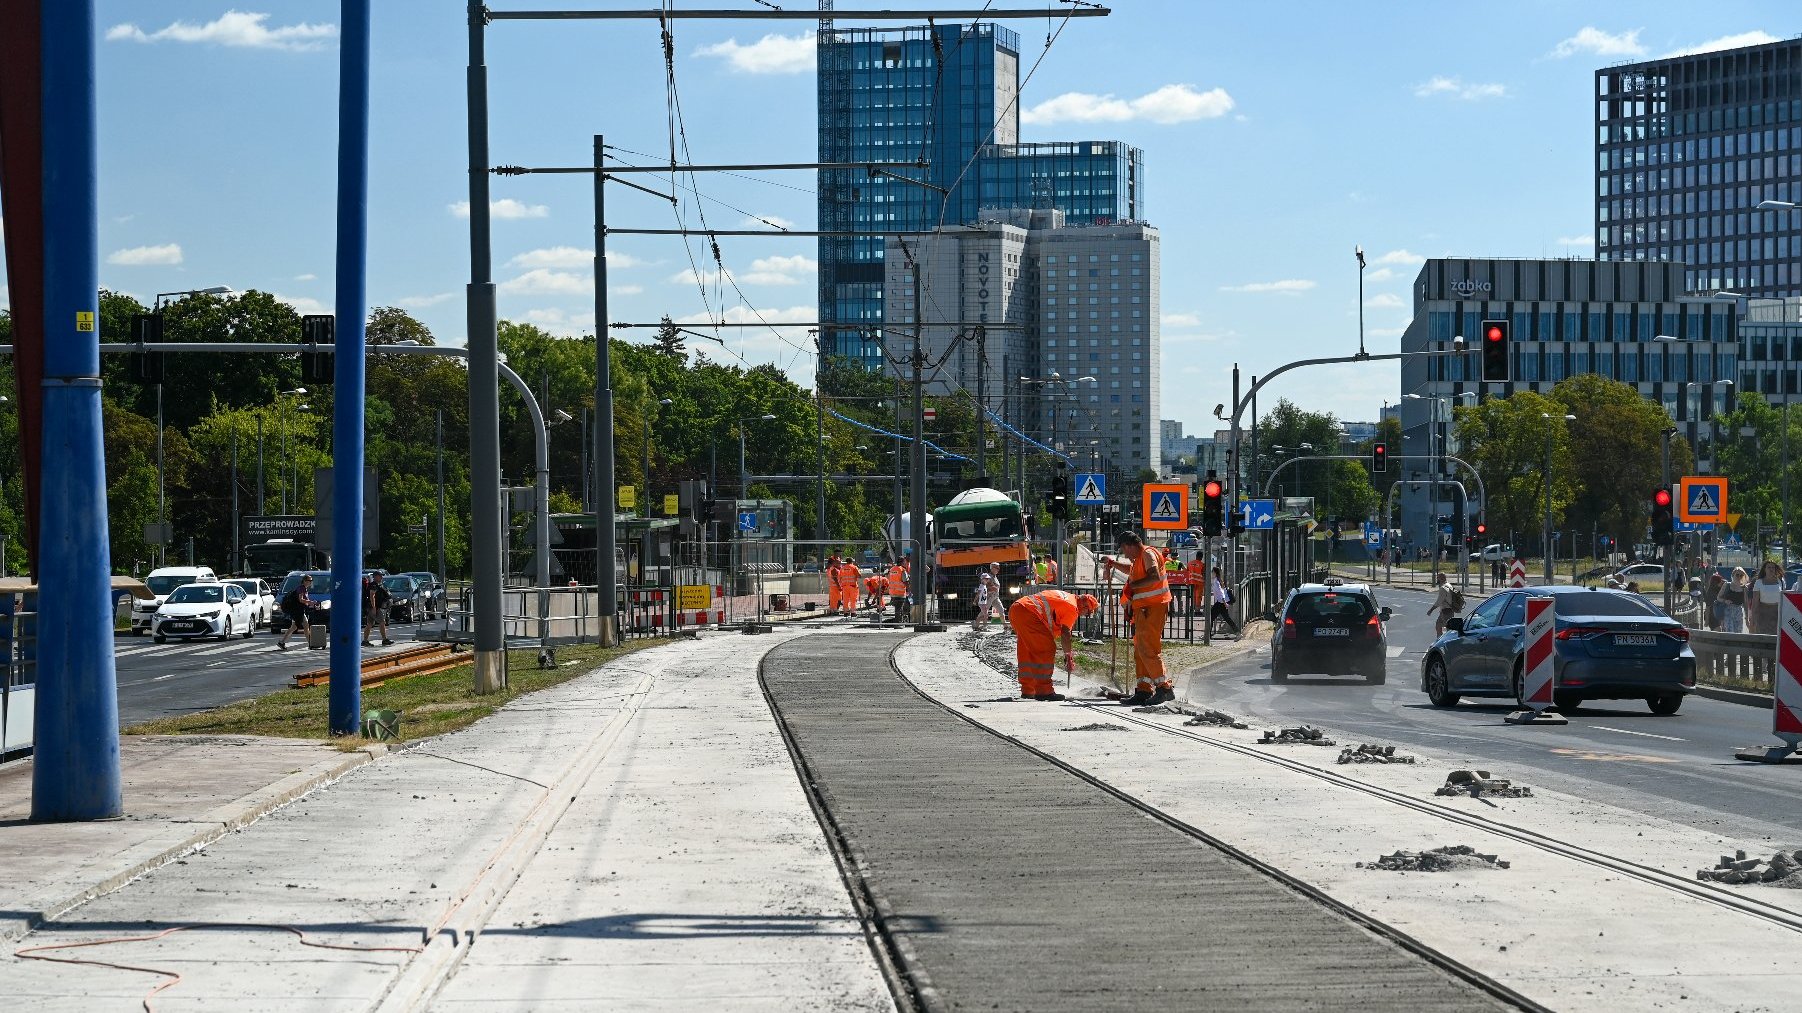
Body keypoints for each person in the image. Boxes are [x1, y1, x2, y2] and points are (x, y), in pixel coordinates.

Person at [1101, 531, 1175, 706]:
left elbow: (1154, 576)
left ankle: (1164, 688)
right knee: (1140, 650)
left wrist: (1132, 586)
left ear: (1129, 545)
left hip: (1153, 607)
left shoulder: (1148, 554)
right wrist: (1114, 564)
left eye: (1124, 550)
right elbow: (1132, 571)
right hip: (1144, 609)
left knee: (1148, 649)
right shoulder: (1139, 559)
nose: (1125, 554)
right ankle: (1143, 690)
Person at [1007, 588, 1100, 702]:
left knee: (1028, 650)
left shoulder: (1067, 597)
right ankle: (1044, 691)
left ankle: (1028, 689)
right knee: (1046, 649)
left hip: (1018, 609)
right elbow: (1065, 633)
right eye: (1088, 613)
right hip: (1030, 614)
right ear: (1085, 606)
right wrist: (1068, 656)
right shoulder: (1072, 608)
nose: (1085, 615)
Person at [277, 574, 316, 651]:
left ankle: (282, 642)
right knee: (305, 625)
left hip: (298, 610)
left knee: (295, 627)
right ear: (304, 581)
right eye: (309, 580)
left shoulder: (303, 588)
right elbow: (300, 599)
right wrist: (310, 602)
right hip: (297, 611)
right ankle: (310, 644)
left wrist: (310, 604)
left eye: (311, 581)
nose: (310, 582)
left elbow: (303, 601)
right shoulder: (302, 588)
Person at [1751, 560, 1786, 634]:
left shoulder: (1781, 581)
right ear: (1765, 569)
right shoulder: (1758, 582)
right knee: (1763, 636)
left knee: (1776, 637)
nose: (1771, 569)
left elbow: (1784, 599)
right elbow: (1755, 603)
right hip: (1763, 613)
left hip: (1777, 613)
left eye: (1773, 567)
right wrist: (1753, 619)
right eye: (1769, 567)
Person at [1206, 566, 1239, 638]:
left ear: (1214, 573)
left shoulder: (1217, 582)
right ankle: (1237, 632)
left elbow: (1221, 593)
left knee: (1211, 616)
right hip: (1220, 602)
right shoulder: (1218, 581)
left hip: (1221, 603)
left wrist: (1224, 603)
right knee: (1227, 618)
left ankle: (1208, 635)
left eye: (1212, 572)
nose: (1211, 574)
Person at [1429, 572, 1462, 638]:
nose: (1437, 579)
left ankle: (1448, 641)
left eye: (1438, 577)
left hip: (1446, 611)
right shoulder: (1449, 585)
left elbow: (1439, 601)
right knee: (1438, 625)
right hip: (1449, 610)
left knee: (1448, 628)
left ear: (1440, 578)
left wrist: (1431, 610)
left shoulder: (1443, 588)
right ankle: (1440, 639)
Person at [971, 561, 1002, 631]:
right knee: (985, 615)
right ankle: (980, 626)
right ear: (983, 579)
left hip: (984, 602)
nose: (988, 580)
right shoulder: (982, 586)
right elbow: (978, 594)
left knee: (985, 614)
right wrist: (975, 601)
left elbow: (985, 592)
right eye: (987, 579)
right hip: (982, 603)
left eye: (988, 579)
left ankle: (977, 625)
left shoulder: (984, 586)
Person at [1718, 567, 1749, 633]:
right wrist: (1725, 601)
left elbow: (1746, 604)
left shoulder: (1744, 588)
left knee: (1738, 633)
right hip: (1727, 611)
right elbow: (1718, 598)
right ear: (1733, 575)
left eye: (1741, 575)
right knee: (1729, 632)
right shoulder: (1727, 585)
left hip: (1738, 613)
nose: (1739, 577)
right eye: (1737, 575)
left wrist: (1747, 618)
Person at [886, 558, 909, 622]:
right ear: (902, 562)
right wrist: (909, 590)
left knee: (897, 608)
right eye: (904, 562)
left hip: (892, 592)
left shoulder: (892, 569)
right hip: (900, 593)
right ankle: (898, 622)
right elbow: (905, 581)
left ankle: (898, 621)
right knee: (899, 609)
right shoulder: (902, 570)